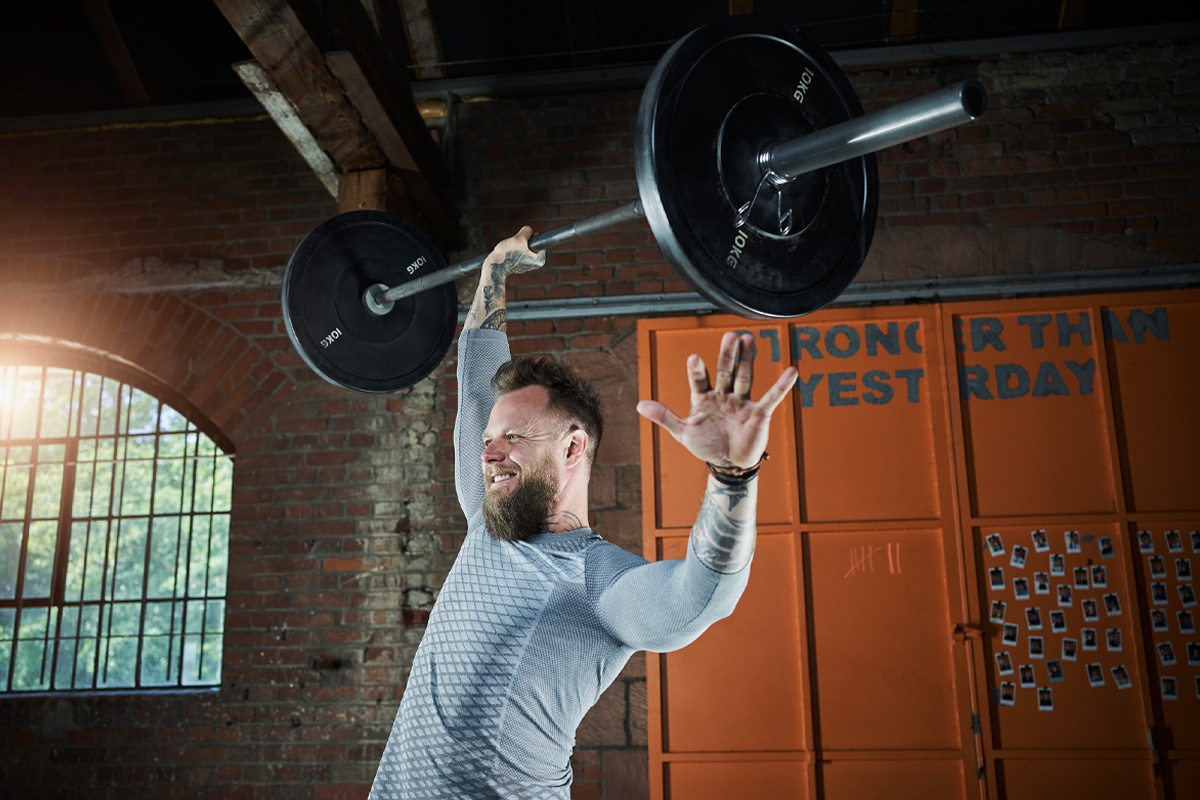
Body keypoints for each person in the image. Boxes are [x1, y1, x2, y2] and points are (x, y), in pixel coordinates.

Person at [369, 227, 797, 799]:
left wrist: (732, 477)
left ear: (572, 448)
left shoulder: (596, 582)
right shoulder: (487, 520)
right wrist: (495, 272)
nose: (488, 453)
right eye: (489, 439)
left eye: (513, 436)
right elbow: (476, 386)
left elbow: (700, 597)